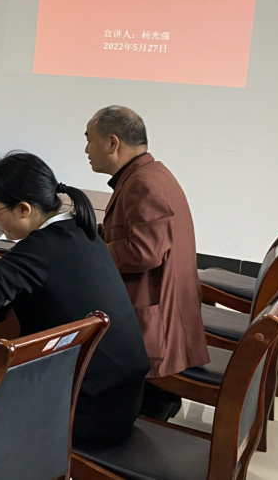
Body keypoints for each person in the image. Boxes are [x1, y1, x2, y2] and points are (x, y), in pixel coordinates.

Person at [0, 152, 149, 455]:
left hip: (83, 412)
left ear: (24, 209)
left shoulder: (42, 247)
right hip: (119, 400)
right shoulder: (80, 229)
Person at [85, 105, 209, 419]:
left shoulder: (143, 183)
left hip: (158, 327)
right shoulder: (150, 173)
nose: (86, 149)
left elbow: (144, 252)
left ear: (112, 143)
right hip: (167, 307)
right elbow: (132, 233)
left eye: (89, 140)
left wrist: (90, 254)